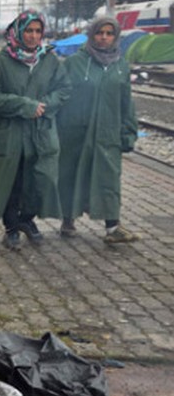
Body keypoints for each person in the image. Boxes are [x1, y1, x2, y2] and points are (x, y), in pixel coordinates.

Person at [0, 10, 70, 251]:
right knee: (11, 179)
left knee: (39, 177)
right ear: (18, 31)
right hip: (8, 132)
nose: (33, 36)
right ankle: (11, 226)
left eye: (38, 31)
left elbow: (64, 88)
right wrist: (24, 105)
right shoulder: (1, 61)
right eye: (29, 30)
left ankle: (27, 219)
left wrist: (45, 106)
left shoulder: (49, 60)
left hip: (39, 131)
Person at [56, 16, 140, 244]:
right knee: (71, 175)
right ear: (91, 35)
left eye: (109, 33)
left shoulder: (120, 65)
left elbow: (126, 102)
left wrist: (129, 131)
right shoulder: (74, 62)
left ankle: (113, 227)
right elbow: (60, 95)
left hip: (107, 133)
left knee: (109, 178)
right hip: (75, 133)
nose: (104, 37)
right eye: (99, 33)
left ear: (115, 37)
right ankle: (68, 219)